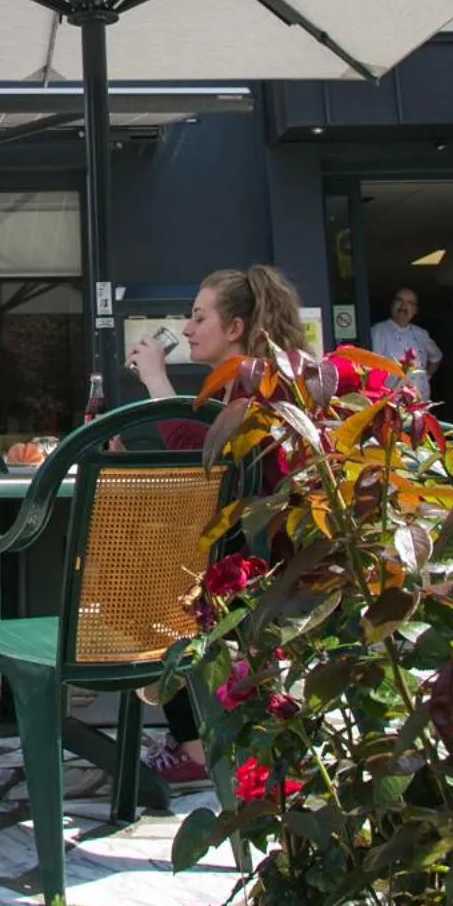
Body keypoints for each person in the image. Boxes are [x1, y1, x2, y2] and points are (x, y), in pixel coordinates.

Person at [124, 264, 307, 790]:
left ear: (234, 328)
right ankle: (201, 737)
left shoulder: (257, 385)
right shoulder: (246, 382)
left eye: (198, 316)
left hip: (263, 560)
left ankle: (199, 748)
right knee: (147, 571)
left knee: (145, 587)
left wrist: (157, 380)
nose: (185, 328)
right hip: (248, 549)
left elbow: (202, 463)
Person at [370, 286, 443, 402]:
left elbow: (436, 357)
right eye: (399, 301)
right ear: (392, 305)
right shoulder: (378, 331)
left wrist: (426, 376)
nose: (403, 306)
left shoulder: (421, 334)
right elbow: (373, 369)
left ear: (415, 311)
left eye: (409, 303)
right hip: (394, 404)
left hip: (421, 402)